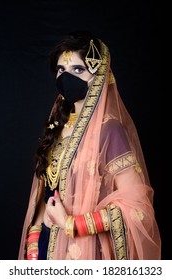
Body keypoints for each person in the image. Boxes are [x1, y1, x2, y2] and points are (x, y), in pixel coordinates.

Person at [18, 30, 161, 260]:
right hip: (45, 246)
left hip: (83, 251)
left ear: (98, 74)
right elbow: (47, 191)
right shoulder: (57, 125)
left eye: (78, 69)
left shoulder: (109, 131)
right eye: (61, 70)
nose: (66, 77)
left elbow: (137, 208)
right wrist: (34, 238)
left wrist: (70, 223)